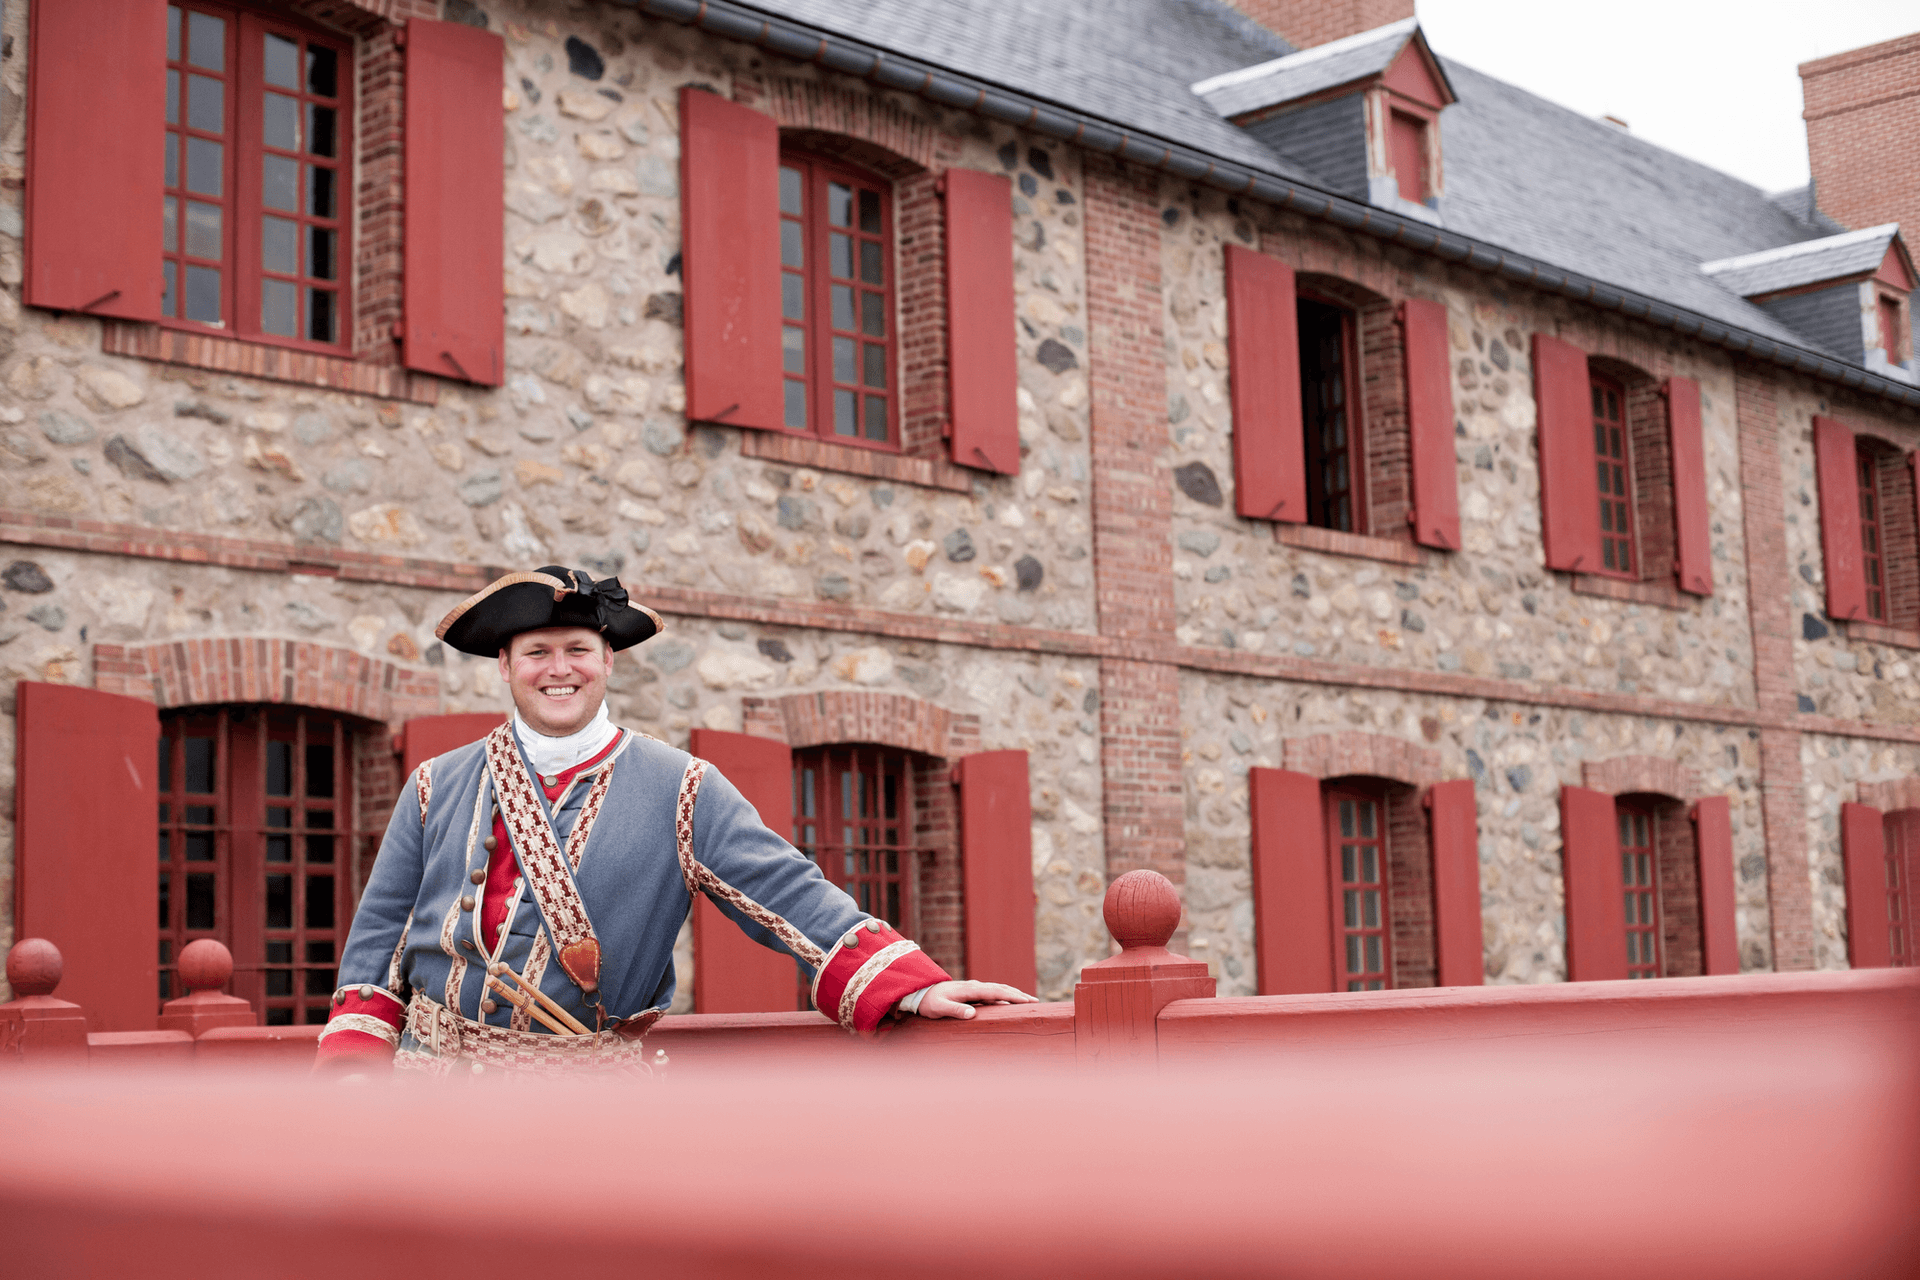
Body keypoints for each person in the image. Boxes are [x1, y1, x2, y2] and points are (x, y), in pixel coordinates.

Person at [316, 566, 1034, 1076]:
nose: (557, 669)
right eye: (536, 652)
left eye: (577, 651)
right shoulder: (435, 784)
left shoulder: (683, 787)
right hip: (429, 1085)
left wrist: (909, 983)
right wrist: (353, 1070)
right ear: (505, 666)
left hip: (582, 1101)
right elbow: (381, 938)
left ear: (607, 663)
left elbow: (789, 894)